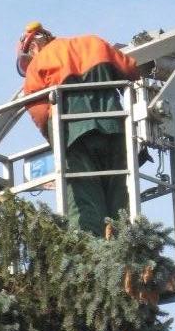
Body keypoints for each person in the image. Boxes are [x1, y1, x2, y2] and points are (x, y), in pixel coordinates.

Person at [17, 22, 140, 238]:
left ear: (33, 47)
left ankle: (90, 248)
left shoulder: (38, 64)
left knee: (84, 196)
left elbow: (40, 113)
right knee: (118, 191)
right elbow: (131, 70)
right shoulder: (94, 43)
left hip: (74, 138)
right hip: (114, 129)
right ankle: (121, 246)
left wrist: (56, 144)